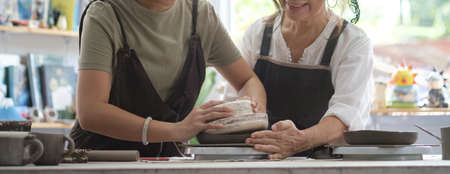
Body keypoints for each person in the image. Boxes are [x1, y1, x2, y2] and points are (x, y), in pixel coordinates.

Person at [70, 0, 266, 157]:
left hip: (167, 160)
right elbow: (91, 112)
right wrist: (176, 131)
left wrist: (249, 111)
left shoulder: (202, 14)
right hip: (101, 158)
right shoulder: (105, 14)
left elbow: (247, 81)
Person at [239, 0, 373, 159]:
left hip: (324, 166)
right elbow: (237, 102)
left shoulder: (352, 42)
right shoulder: (257, 33)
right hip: (260, 161)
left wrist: (299, 140)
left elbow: (343, 119)